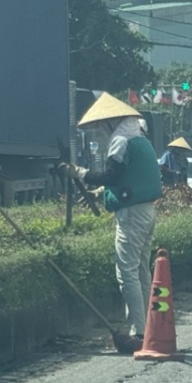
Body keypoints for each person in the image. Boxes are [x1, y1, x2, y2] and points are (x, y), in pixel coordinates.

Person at [62, 94, 162, 343]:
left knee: (126, 272)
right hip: (147, 210)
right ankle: (148, 324)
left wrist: (81, 174)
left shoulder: (120, 140)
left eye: (102, 126)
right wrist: (100, 194)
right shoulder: (141, 139)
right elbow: (127, 179)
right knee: (141, 270)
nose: (102, 131)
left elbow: (112, 176)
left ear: (111, 122)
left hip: (131, 214)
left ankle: (138, 331)